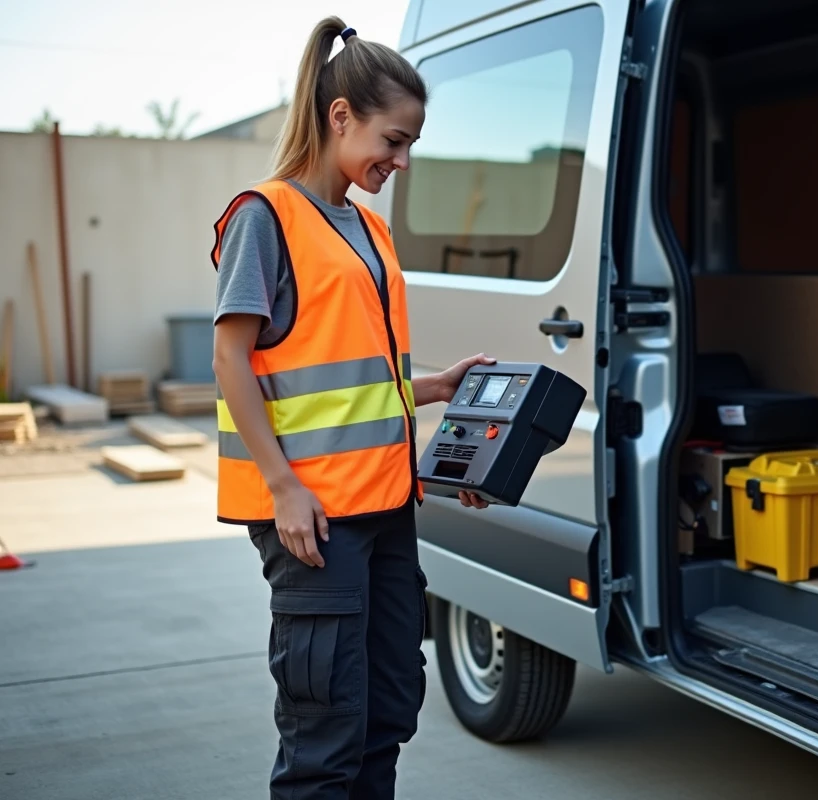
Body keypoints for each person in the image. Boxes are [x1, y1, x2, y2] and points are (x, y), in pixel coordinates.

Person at [210, 17, 491, 799]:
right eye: (392, 141)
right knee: (325, 730)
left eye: (408, 147)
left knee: (389, 708)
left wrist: (431, 390)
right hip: (315, 522)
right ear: (340, 118)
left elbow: (345, 364)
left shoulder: (368, 228)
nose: (399, 162)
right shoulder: (263, 218)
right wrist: (283, 487)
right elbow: (232, 357)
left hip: (387, 508)